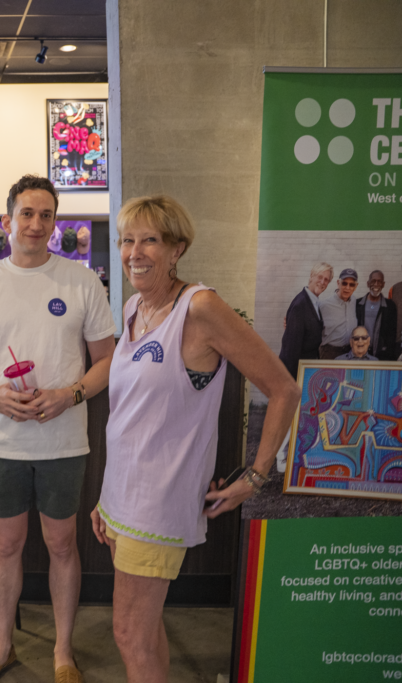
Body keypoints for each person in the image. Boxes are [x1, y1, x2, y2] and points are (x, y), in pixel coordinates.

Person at [89, 195, 300, 683]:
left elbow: (284, 389)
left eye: (150, 240)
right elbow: (128, 416)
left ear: (176, 248)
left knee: (128, 634)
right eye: (126, 240)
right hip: (123, 498)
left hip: (158, 504)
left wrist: (257, 475)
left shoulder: (199, 308)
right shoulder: (133, 308)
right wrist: (106, 497)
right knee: (145, 632)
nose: (134, 251)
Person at [0, 175, 116, 683]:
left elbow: (107, 361)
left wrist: (71, 394)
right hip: (1, 440)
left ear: (55, 223)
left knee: (63, 544)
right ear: (7, 221)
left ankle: (63, 653)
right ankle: (3, 646)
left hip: (63, 439)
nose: (37, 224)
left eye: (46, 215)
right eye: (27, 213)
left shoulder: (82, 282)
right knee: (7, 545)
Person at [278, 262, 331, 379]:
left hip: (306, 370)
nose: (322, 282)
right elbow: (291, 349)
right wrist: (292, 384)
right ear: (311, 276)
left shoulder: (314, 303)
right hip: (295, 373)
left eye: (326, 280)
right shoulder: (300, 305)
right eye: (320, 277)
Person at [355, 270, 397, 360]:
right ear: (368, 283)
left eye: (379, 281)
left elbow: (392, 333)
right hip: (360, 352)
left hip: (382, 354)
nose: (376, 284)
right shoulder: (358, 304)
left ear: (383, 284)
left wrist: (387, 352)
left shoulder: (390, 306)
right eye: (373, 281)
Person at [318, 268, 358, 359]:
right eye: (344, 283)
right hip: (330, 352)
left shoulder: (354, 301)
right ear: (338, 283)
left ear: (356, 287)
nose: (347, 288)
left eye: (351, 285)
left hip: (350, 352)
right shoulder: (324, 305)